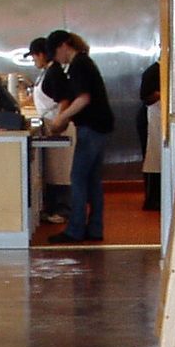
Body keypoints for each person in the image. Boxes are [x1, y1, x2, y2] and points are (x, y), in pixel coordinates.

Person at [40, 30, 113, 244]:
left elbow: (83, 99)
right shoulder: (84, 62)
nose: (56, 58)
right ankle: (95, 228)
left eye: (55, 53)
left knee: (78, 178)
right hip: (100, 126)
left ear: (64, 46)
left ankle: (75, 229)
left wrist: (61, 118)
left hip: (91, 126)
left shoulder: (78, 65)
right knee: (92, 180)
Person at [27, 37, 70, 224]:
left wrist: (59, 122)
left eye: (34, 56)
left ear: (42, 54)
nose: (34, 60)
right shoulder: (47, 72)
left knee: (61, 170)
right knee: (53, 170)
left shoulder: (55, 73)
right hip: (50, 121)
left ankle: (63, 209)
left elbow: (64, 100)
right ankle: (53, 207)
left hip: (58, 125)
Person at [138, 59, 162, 210]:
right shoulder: (152, 72)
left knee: (156, 159)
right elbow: (145, 96)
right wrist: (162, 93)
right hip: (150, 120)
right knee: (152, 158)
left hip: (157, 119)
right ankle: (152, 199)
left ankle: (157, 197)